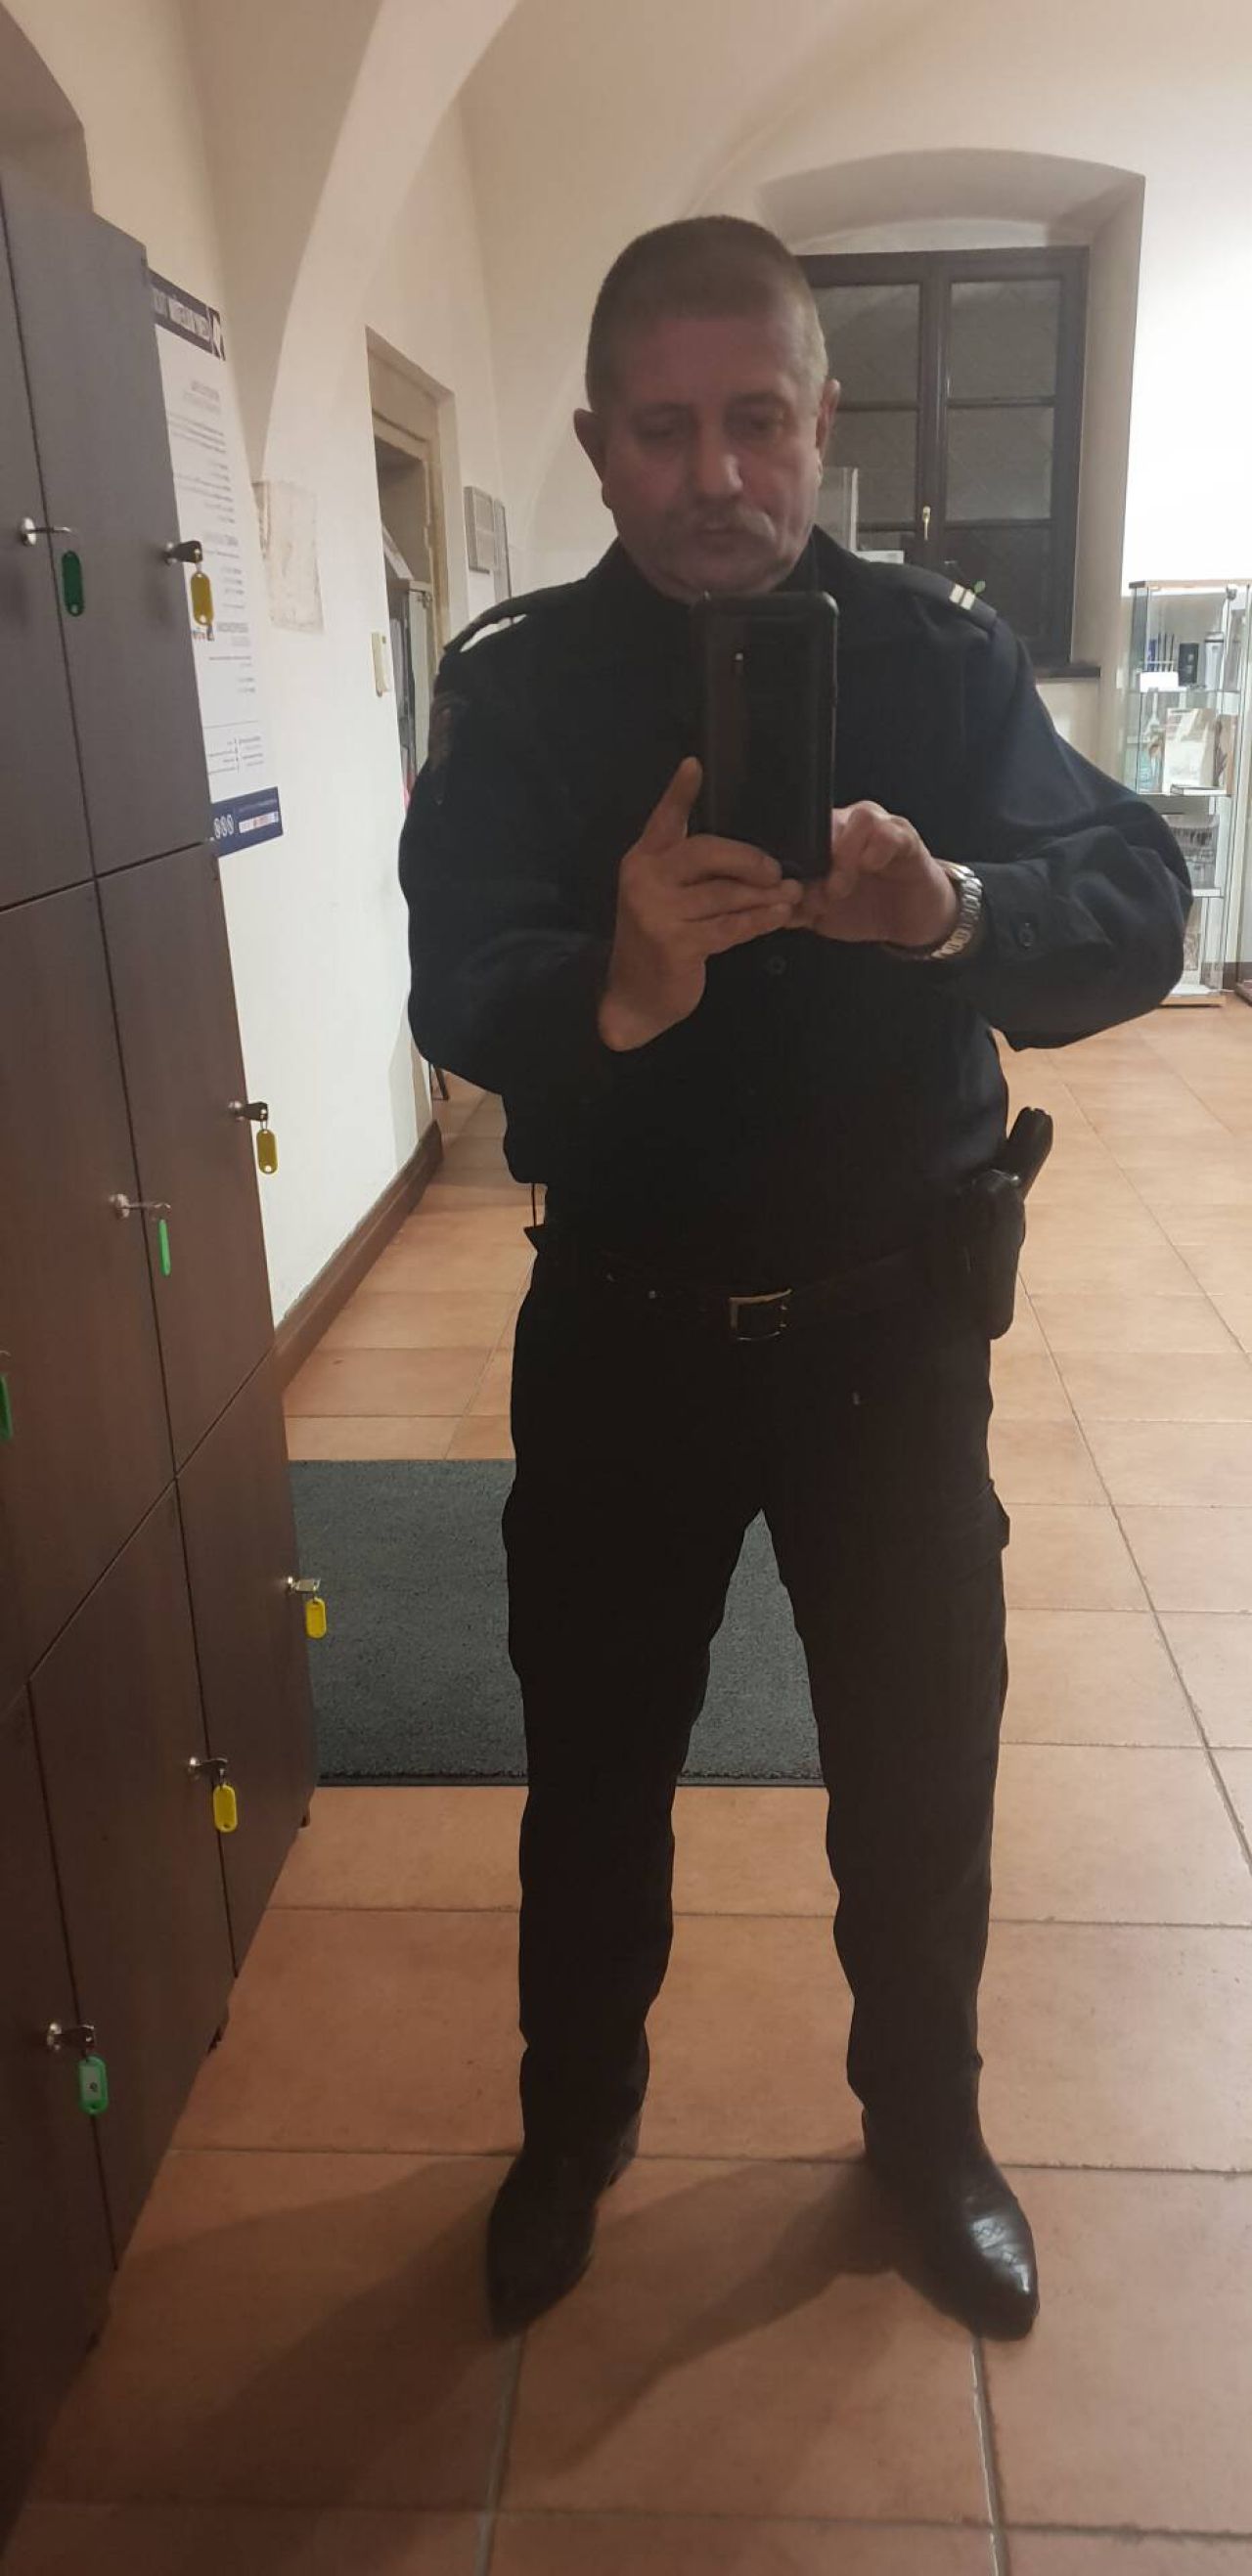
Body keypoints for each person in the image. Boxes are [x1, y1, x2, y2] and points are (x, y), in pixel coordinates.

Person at [399, 217, 1188, 2344]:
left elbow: (1139, 898)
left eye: (756, 420)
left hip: (888, 1337)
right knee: (594, 1774)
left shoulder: (935, 658)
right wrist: (618, 987)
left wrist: (956, 915)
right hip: (622, 1337)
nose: (715, 473)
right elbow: (454, 973)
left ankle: (926, 2136)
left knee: (921, 1774)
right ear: (596, 444)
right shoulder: (517, 689)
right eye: (663, 430)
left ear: (823, 421)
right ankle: (573, 2130)